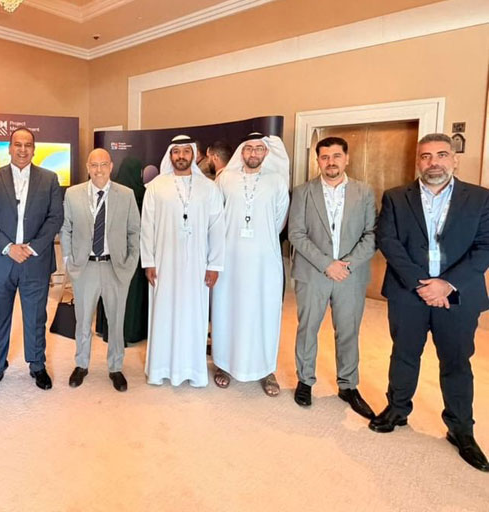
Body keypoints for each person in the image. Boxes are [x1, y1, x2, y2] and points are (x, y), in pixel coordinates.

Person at [371, 133, 489, 472]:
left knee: (456, 361)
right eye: (425, 156)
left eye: (441, 155)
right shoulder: (396, 197)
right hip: (409, 292)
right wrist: (420, 284)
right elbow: (388, 240)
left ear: (454, 159)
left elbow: (485, 246)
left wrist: (445, 284)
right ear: (417, 161)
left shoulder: (480, 198)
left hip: (457, 294)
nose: (433, 162)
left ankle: (461, 429)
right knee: (404, 354)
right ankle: (397, 409)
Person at [288, 137, 376, 419]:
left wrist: (346, 265)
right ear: (318, 161)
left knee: (348, 330)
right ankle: (305, 380)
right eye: (324, 157)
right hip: (313, 273)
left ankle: (348, 385)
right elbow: (296, 234)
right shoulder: (303, 192)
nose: (331, 162)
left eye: (336, 156)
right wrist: (327, 264)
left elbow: (371, 234)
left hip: (350, 275)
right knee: (307, 328)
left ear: (346, 159)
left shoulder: (364, 192)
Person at [0, 127, 63, 394]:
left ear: (34, 149)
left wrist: (32, 247)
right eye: (18, 144)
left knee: (36, 317)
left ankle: (37, 365)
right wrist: (8, 248)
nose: (23, 149)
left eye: (28, 145)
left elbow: (55, 218)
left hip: (34, 261)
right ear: (10, 148)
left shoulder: (49, 178)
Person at [141, 135, 225, 387]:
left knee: (193, 315)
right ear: (170, 155)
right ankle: (160, 369)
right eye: (176, 151)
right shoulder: (156, 187)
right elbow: (147, 226)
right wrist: (148, 262)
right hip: (163, 264)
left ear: (193, 154)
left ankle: (192, 370)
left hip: (197, 265)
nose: (181, 156)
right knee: (164, 314)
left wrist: (214, 264)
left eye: (186, 151)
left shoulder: (209, 188)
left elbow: (217, 228)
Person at [210, 133, 289, 395]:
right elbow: (216, 217)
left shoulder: (277, 181)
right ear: (241, 152)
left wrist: (259, 240)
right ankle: (223, 363)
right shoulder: (225, 179)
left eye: (259, 149)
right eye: (249, 148)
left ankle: (265, 368)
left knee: (264, 312)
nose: (253, 153)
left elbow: (279, 220)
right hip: (230, 259)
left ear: (266, 153)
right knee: (227, 310)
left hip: (264, 261)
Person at [61, 148, 140, 391]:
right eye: (94, 165)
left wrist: (130, 264)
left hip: (115, 267)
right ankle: (81, 364)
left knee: (116, 321)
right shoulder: (73, 194)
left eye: (103, 164)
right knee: (83, 320)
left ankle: (115, 367)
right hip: (85, 267)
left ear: (111, 166)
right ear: (87, 167)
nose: (98, 170)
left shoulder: (126, 195)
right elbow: (66, 228)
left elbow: (134, 232)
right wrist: (69, 260)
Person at [96, 156, 148, 344]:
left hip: (111, 251)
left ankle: (107, 330)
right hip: (135, 251)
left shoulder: (111, 191)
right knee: (132, 292)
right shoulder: (143, 194)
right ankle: (130, 332)